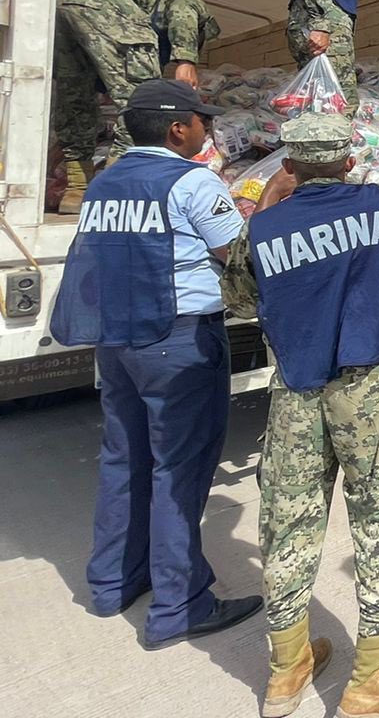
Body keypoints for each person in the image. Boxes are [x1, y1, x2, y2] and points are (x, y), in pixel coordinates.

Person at [222, 112, 379, 718]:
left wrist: (267, 202)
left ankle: (286, 671)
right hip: (372, 391)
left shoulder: (262, 231)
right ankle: (374, 678)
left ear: (287, 164)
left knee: (290, 526)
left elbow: (240, 298)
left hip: (297, 391)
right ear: (349, 160)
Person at [49, 80, 259, 650]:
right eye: (201, 121)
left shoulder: (105, 182)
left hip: (117, 342)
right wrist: (268, 202)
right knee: (178, 471)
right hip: (178, 342)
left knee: (124, 460)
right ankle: (179, 605)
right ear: (177, 129)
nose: (207, 130)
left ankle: (113, 582)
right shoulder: (191, 180)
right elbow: (238, 256)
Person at [53, 0, 221, 213]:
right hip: (106, 4)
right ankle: (114, 192)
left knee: (75, 98)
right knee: (143, 104)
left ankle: (76, 191)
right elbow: (183, 12)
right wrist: (186, 60)